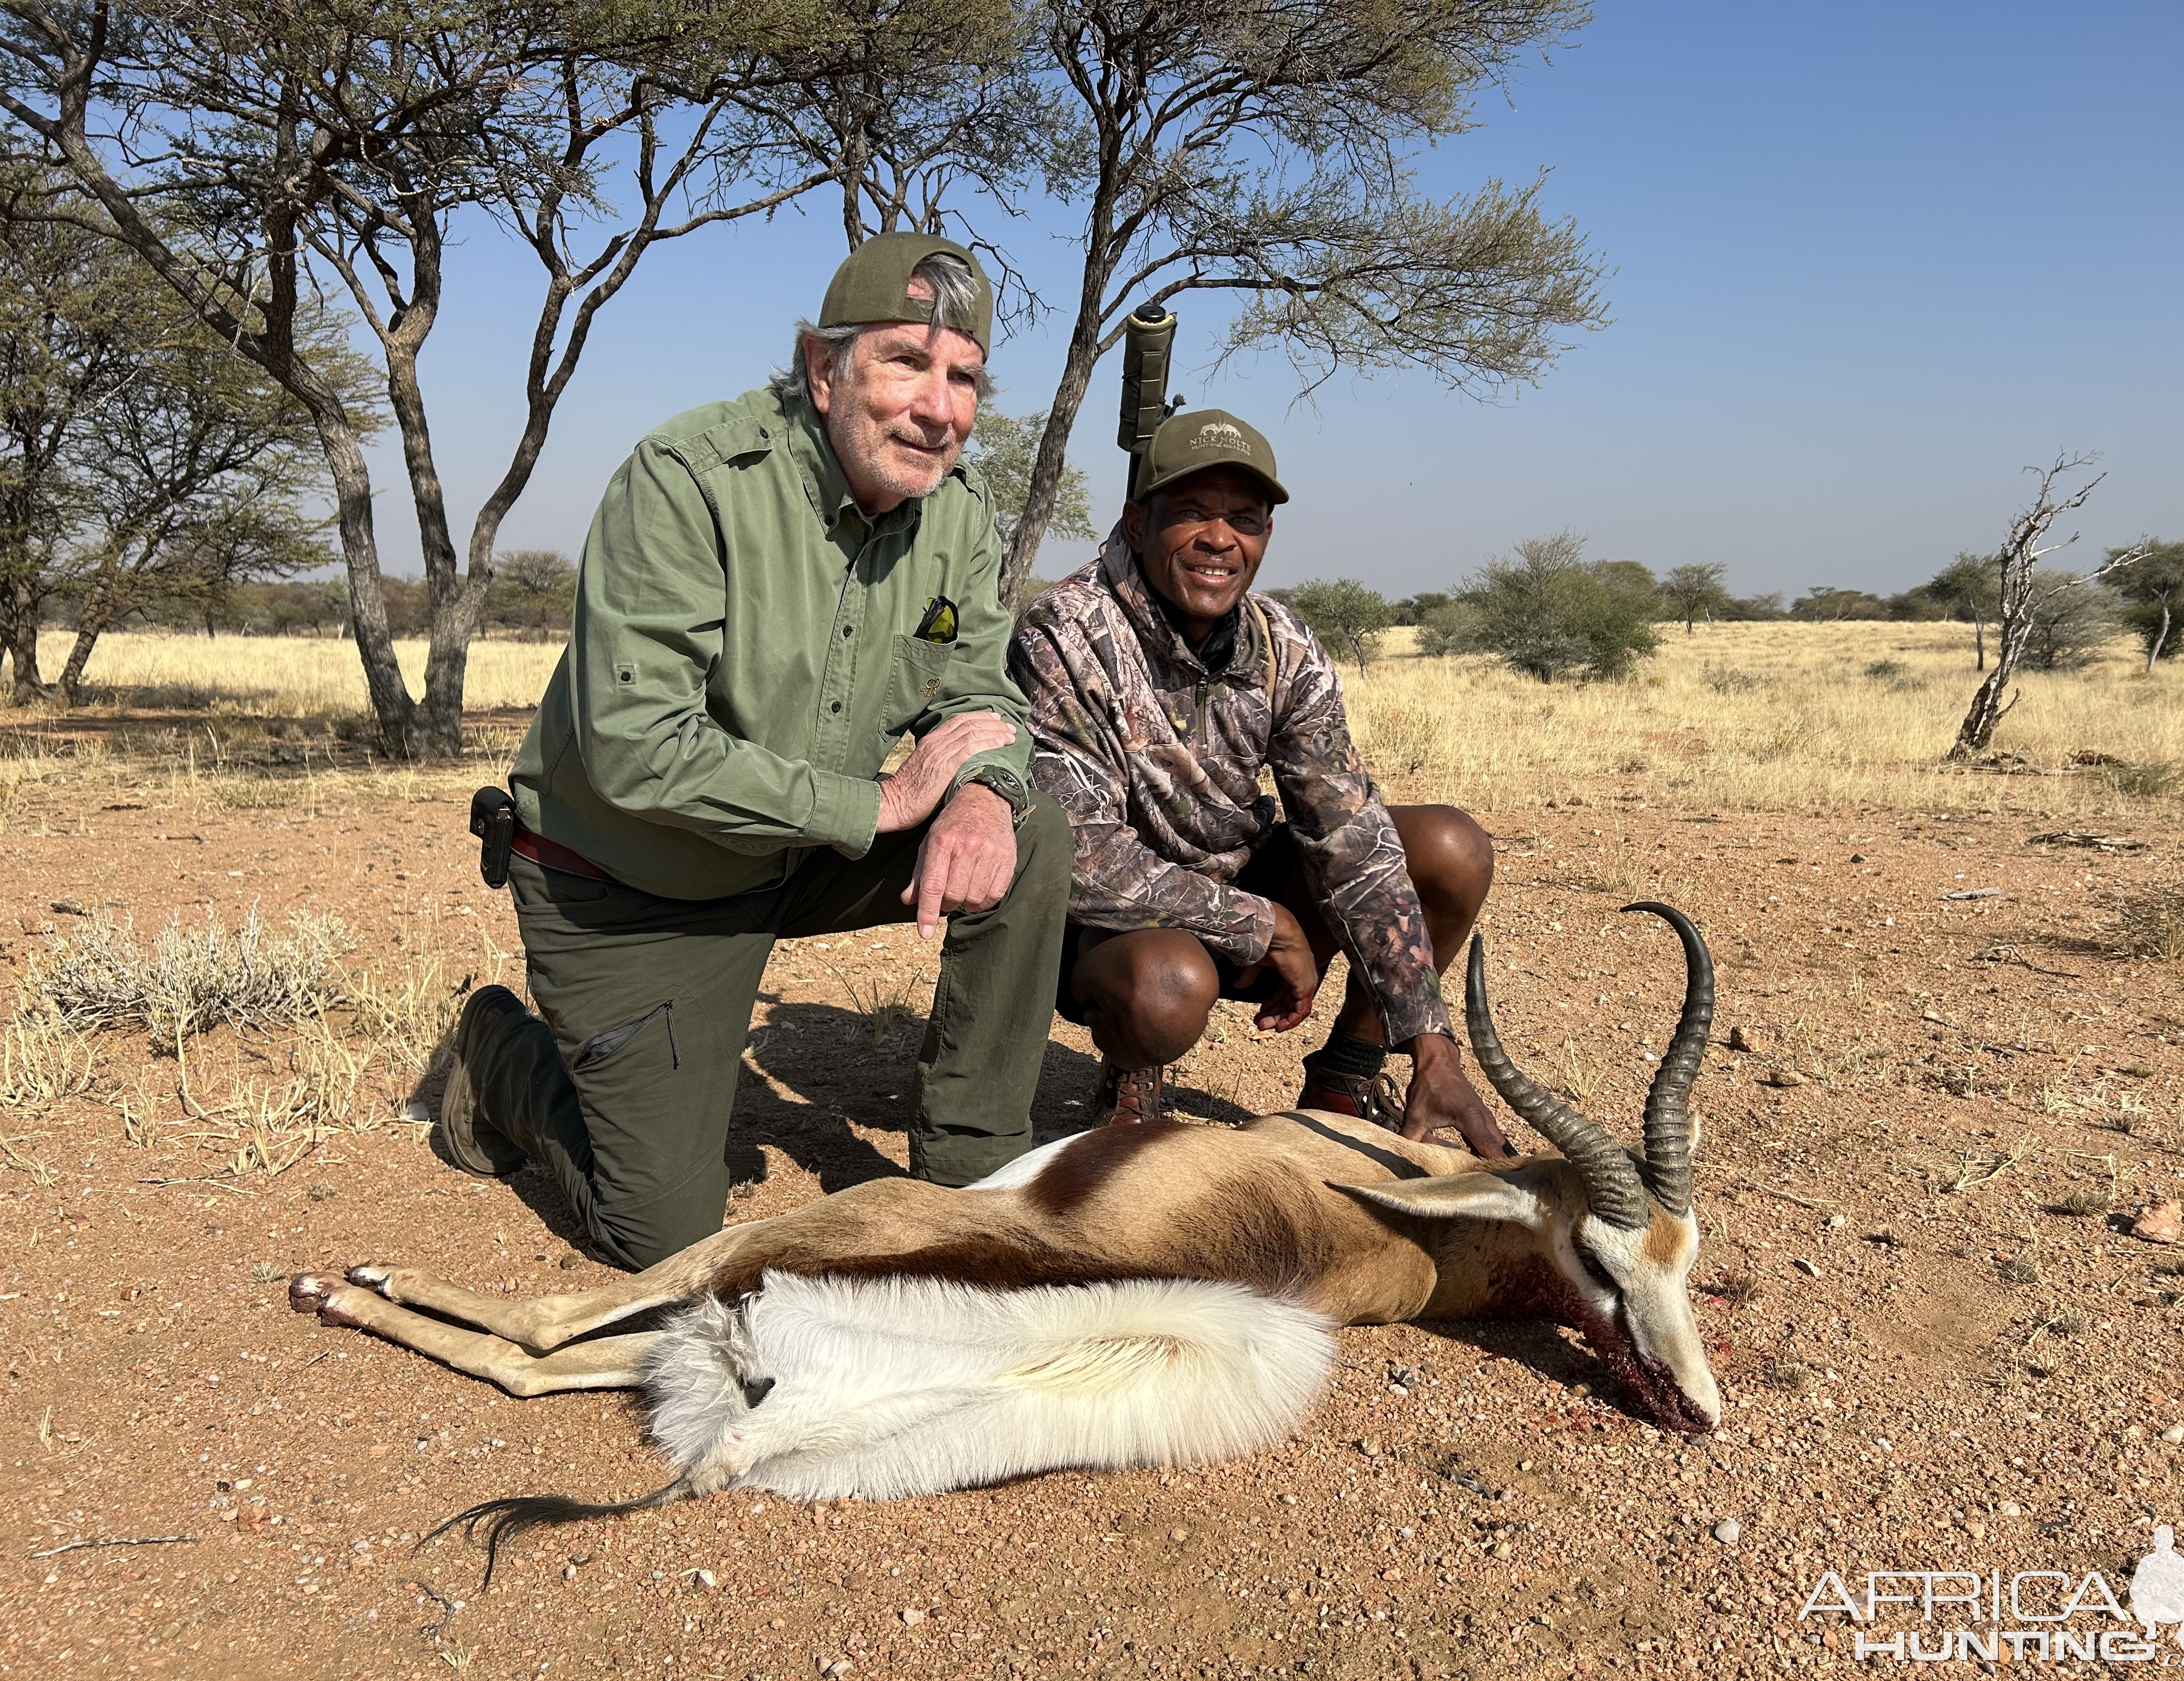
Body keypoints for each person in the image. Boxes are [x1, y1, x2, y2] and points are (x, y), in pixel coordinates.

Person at [441, 233, 1070, 1270]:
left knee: (1029, 828)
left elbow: (983, 695)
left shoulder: (955, 514)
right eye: (906, 363)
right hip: (633, 880)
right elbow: (637, 750)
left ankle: (972, 1179)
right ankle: (502, 1056)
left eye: (963, 378)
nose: (941, 408)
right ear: (824, 370)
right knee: (667, 1243)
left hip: (793, 858)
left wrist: (980, 793)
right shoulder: (688, 477)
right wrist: (879, 806)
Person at [1009, 408, 1513, 1156]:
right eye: (1192, 514)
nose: (1221, 540)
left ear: (1267, 536)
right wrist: (1261, 924)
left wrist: (1432, 1039)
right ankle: (1130, 1074)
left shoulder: (1282, 642)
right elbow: (1078, 856)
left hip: (1241, 878)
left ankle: (1346, 1075)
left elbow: (1351, 838)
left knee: (1449, 847)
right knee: (1164, 990)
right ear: (1137, 522)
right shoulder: (1064, 632)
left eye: (1245, 519)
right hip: (1117, 930)